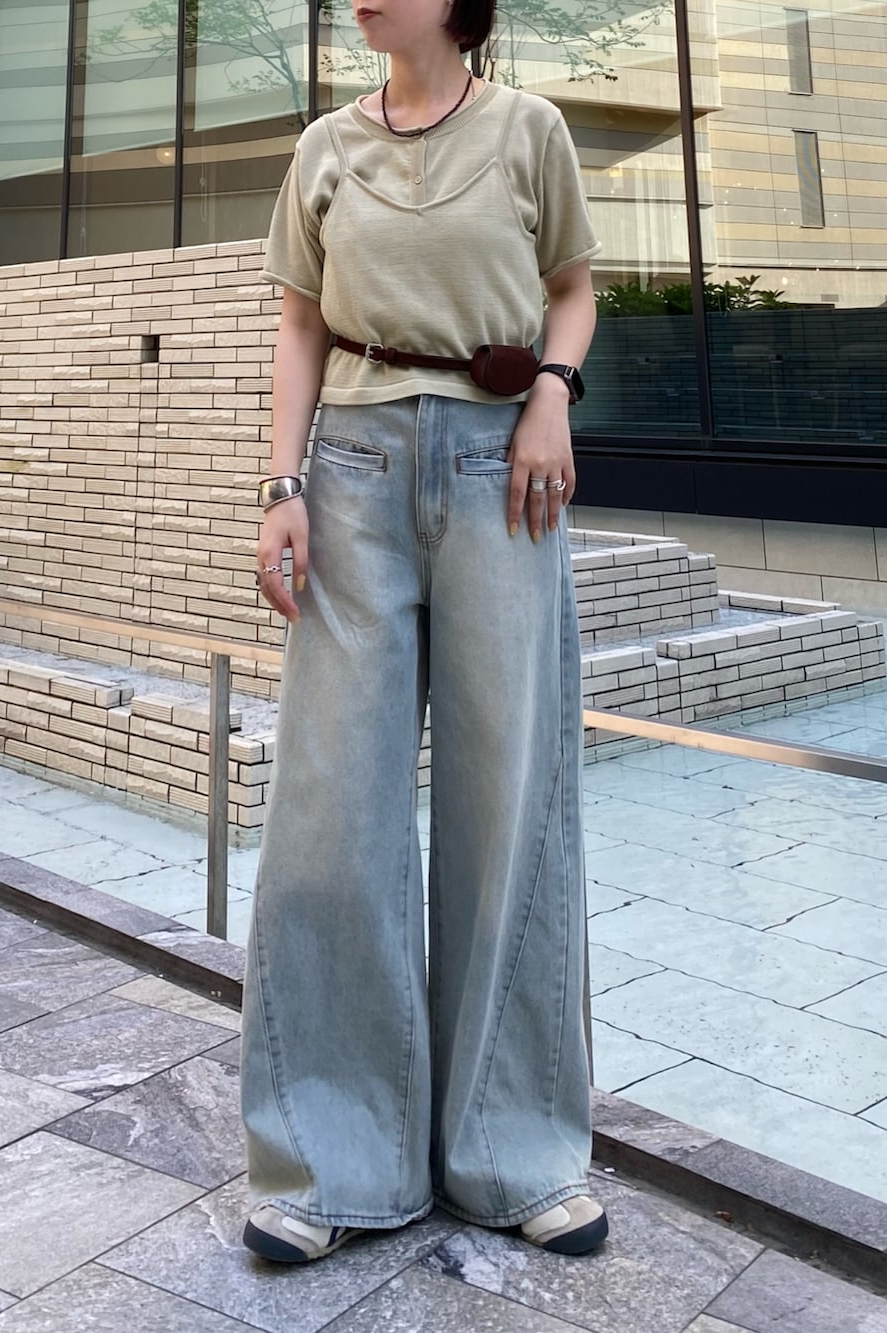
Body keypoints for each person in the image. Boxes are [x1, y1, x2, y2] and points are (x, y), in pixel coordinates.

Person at [241, 0, 607, 1264]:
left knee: (511, 801)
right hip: (350, 471)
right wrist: (281, 486)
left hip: (505, 469)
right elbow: (299, 324)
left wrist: (552, 396)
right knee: (332, 806)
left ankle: (517, 1152)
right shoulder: (322, 148)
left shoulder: (529, 128)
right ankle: (329, 1157)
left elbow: (573, 290)